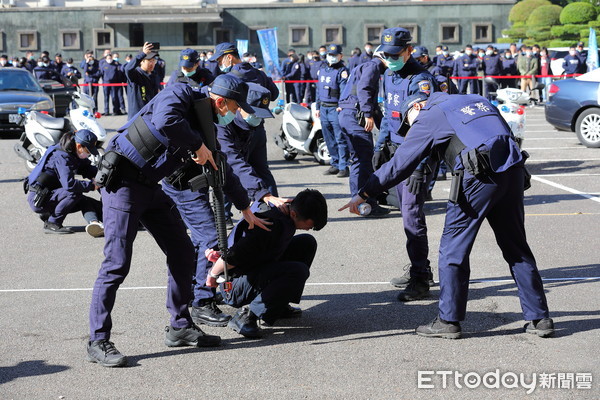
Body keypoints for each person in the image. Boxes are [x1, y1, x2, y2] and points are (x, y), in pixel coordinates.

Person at [340, 92, 554, 339]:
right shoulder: (477, 100)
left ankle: (448, 320)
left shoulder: (430, 114)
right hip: (513, 170)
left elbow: (401, 163)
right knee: (516, 247)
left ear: (417, 106)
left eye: (409, 121)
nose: (411, 127)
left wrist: (364, 192)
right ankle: (540, 318)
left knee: (453, 249)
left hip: (477, 175)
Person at [86, 74, 260, 367]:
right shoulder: (180, 93)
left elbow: (222, 168)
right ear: (220, 101)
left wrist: (245, 207)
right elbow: (167, 119)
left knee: (182, 251)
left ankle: (180, 326)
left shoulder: (207, 127)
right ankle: (98, 339)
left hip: (150, 188)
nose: (234, 113)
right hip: (123, 185)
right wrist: (196, 145)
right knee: (116, 263)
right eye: (233, 107)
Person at [206, 189, 328, 338]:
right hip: (233, 286)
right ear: (295, 214)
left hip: (252, 270)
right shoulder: (269, 224)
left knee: (306, 243)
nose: (310, 228)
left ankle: (278, 305)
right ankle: (246, 317)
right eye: (310, 224)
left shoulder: (283, 213)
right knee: (298, 271)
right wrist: (212, 275)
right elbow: (232, 256)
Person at [372, 27, 438, 300]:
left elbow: (420, 123)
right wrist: (379, 148)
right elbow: (389, 115)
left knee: (412, 217)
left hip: (416, 156)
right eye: (386, 55)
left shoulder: (420, 79)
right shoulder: (388, 74)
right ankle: (419, 268)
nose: (390, 59)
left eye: (395, 55)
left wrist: (418, 164)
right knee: (406, 215)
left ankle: (421, 279)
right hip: (397, 152)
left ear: (409, 50)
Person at [338, 49, 390, 218]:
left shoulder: (363, 66)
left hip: (346, 115)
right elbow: (364, 89)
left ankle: (358, 201)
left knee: (357, 161)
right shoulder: (373, 67)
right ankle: (367, 204)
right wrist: (367, 114)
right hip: (356, 117)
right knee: (365, 161)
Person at [26, 129, 103, 237]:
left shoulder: (72, 151)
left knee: (84, 201)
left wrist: (102, 177)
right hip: (40, 199)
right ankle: (52, 223)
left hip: (52, 194)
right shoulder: (61, 156)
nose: (89, 154)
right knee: (74, 192)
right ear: (79, 146)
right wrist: (92, 186)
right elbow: (69, 185)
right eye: (88, 151)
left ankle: (95, 223)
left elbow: (87, 168)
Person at [316, 44, 350, 177]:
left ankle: (343, 166)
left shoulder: (342, 71)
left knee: (340, 138)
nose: (332, 57)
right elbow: (319, 90)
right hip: (324, 108)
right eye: (330, 55)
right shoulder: (323, 69)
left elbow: (344, 91)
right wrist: (318, 107)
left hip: (335, 108)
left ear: (340, 56)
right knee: (328, 138)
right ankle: (334, 163)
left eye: (335, 55)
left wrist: (342, 105)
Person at [124, 42, 162, 119]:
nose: (152, 63)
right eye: (149, 61)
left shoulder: (154, 75)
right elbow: (128, 69)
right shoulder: (135, 74)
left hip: (152, 115)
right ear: (141, 61)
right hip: (137, 117)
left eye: (153, 61)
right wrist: (142, 54)